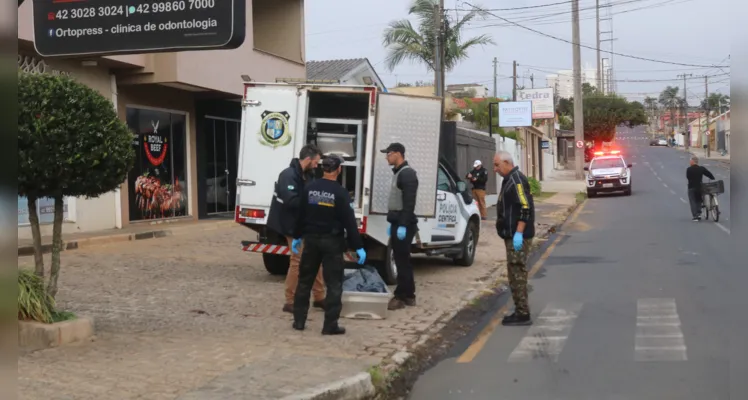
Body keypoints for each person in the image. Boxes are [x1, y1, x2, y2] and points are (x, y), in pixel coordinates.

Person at [291, 155, 367, 335]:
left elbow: (300, 214)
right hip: (332, 243)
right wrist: (358, 246)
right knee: (334, 284)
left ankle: (299, 321)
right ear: (339, 169)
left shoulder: (310, 188)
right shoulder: (340, 193)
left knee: (304, 281)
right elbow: (349, 222)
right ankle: (330, 325)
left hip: (311, 241)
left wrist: (296, 236)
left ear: (323, 168)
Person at [267, 144, 326, 313]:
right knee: (297, 261)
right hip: (291, 226)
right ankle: (290, 301)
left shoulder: (308, 175)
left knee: (316, 258)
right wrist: (315, 203)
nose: (317, 165)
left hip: (305, 224)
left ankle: (320, 297)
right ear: (308, 159)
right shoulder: (288, 175)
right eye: (316, 162)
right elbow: (291, 201)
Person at [493, 151, 535, 326]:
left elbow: (525, 207)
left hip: (518, 236)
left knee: (517, 272)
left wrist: (518, 232)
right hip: (511, 235)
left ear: (506, 162)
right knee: (514, 272)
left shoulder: (516, 180)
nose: (495, 169)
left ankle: (522, 313)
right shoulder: (510, 179)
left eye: (497, 165)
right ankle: (520, 309)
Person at [380, 143, 419, 311]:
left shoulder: (407, 174)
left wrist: (402, 225)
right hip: (398, 222)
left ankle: (401, 296)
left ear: (398, 154)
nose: (386, 157)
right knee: (403, 260)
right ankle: (409, 295)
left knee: (402, 261)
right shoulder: (399, 173)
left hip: (404, 223)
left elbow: (409, 204)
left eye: (389, 153)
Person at [686, 155, 715, 221]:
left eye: (690, 161)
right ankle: (699, 214)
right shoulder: (701, 168)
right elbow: (709, 174)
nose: (690, 162)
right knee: (699, 200)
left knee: (693, 201)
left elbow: (688, 177)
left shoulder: (689, 169)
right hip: (700, 187)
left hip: (691, 187)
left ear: (692, 162)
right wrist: (712, 178)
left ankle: (695, 216)